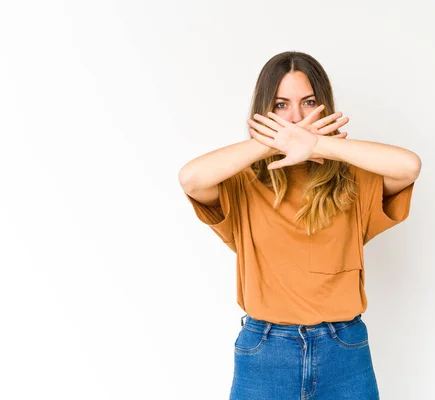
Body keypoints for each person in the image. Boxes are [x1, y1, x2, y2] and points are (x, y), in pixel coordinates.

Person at [178, 51, 421, 399]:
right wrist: (270, 144)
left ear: (324, 105)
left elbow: (408, 166)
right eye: (281, 105)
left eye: (308, 102)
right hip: (265, 350)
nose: (296, 117)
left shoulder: (352, 178)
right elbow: (190, 178)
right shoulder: (243, 181)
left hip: (343, 349)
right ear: (264, 111)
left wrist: (319, 145)